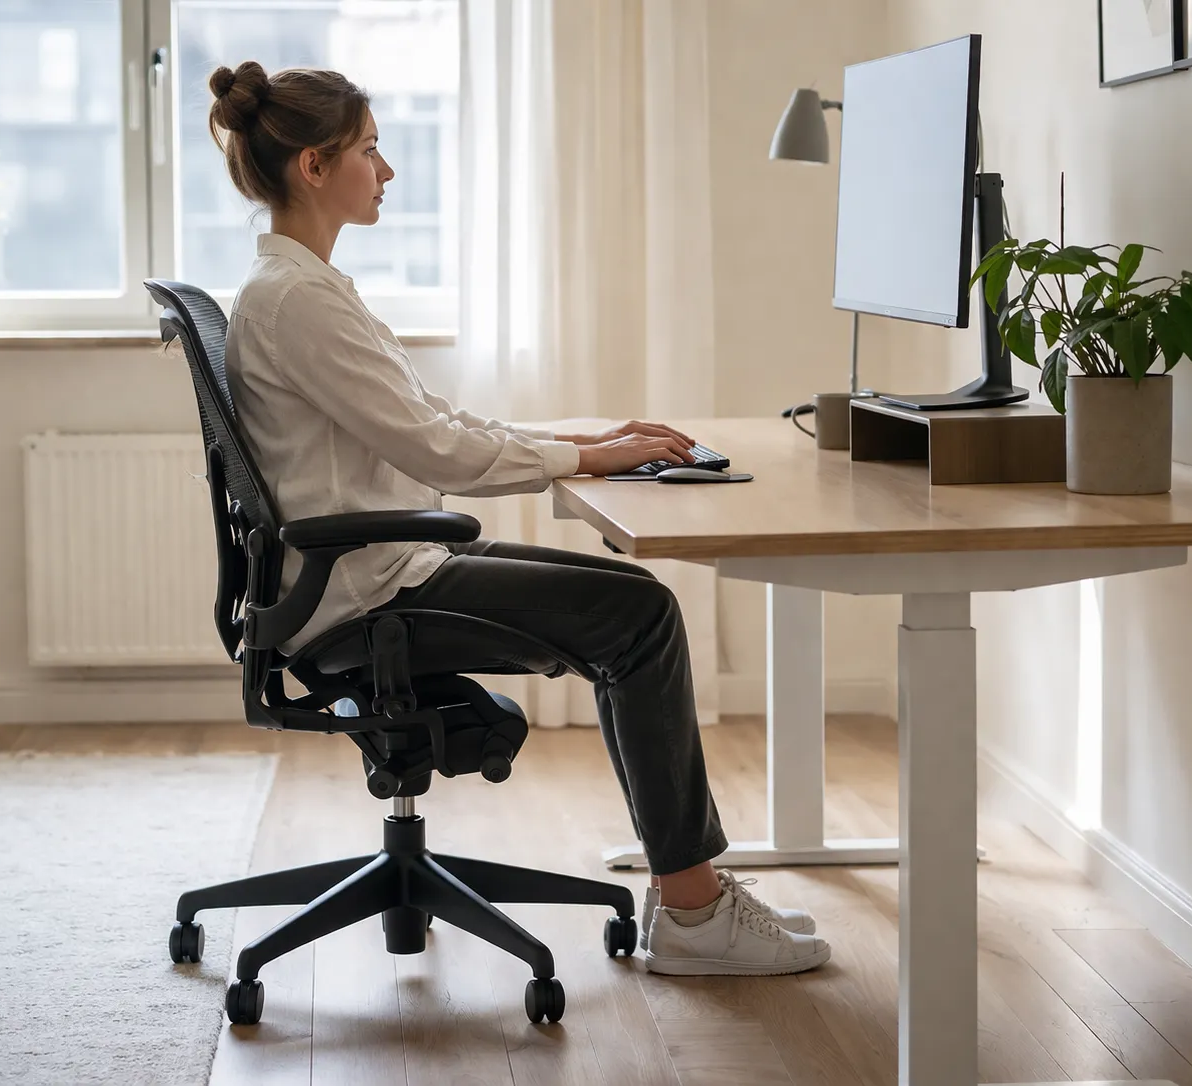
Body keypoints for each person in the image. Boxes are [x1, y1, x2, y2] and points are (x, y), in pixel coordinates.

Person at [208, 60, 829, 977]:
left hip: (370, 571)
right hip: (366, 596)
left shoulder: (305, 290)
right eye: (370, 150)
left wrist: (582, 440)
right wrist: (585, 459)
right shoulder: (298, 302)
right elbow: (439, 452)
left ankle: (687, 895)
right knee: (642, 620)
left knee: (633, 602)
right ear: (313, 166)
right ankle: (696, 914)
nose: (387, 171)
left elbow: (432, 420)